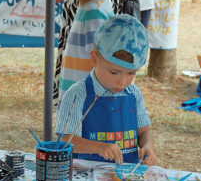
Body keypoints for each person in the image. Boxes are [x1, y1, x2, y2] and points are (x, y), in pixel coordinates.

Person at [55, 14, 159, 166]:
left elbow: (143, 131)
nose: (122, 82)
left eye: (131, 73)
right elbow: (64, 140)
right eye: (114, 72)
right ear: (94, 59)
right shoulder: (78, 94)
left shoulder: (134, 94)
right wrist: (98, 147)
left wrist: (148, 146)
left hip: (126, 176)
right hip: (86, 176)